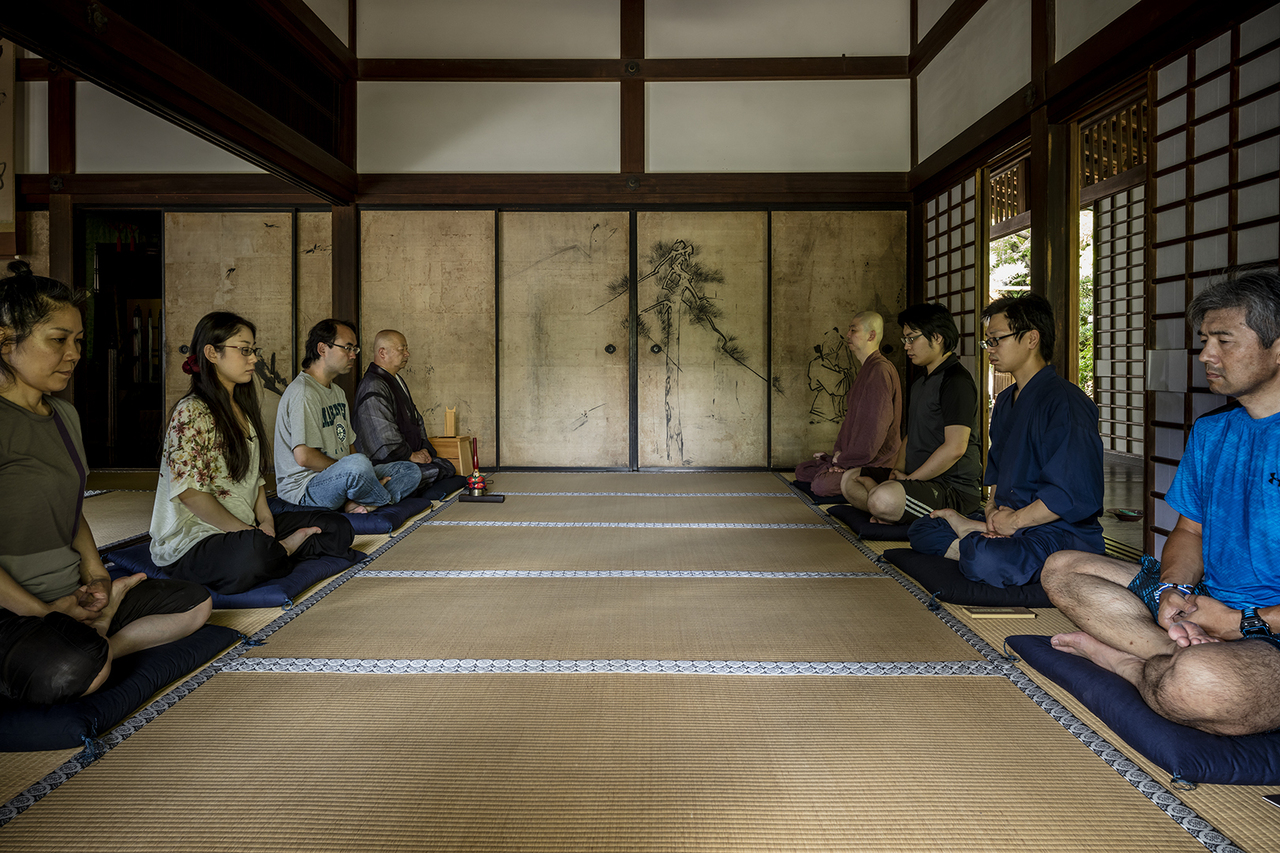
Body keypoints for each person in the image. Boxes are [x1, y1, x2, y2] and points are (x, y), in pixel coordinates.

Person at [1042, 269, 1280, 736]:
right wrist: (1177, 592)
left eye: (1223, 340)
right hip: (1210, 606)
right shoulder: (1214, 432)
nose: (1205, 355)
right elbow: (1191, 531)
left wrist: (1242, 623)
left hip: (1266, 633)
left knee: (1200, 684)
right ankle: (1178, 649)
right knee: (1063, 569)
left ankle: (1129, 663)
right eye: (1204, 340)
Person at [0, 261, 210, 704]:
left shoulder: (64, 416)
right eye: (58, 340)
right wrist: (47, 615)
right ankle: (88, 648)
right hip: (15, 608)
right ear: (4, 342)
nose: (74, 353)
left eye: (77, 340)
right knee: (67, 668)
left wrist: (97, 577)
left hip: (69, 591)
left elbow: (69, 508)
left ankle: (100, 646)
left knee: (194, 603)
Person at [149, 312, 356, 595]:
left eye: (253, 350)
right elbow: (190, 494)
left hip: (248, 526)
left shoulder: (243, 412)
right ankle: (282, 550)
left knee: (336, 526)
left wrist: (267, 521)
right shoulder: (191, 411)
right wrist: (250, 533)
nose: (254, 359)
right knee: (253, 553)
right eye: (244, 350)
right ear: (212, 353)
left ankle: (276, 551)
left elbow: (255, 481)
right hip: (197, 538)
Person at [907, 293, 1104, 585]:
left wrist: (1014, 522)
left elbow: (1071, 493)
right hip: (1007, 523)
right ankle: (978, 540)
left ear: (1031, 339)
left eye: (997, 339)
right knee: (923, 527)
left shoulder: (1065, 403)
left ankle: (977, 545)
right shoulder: (1004, 402)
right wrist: (991, 513)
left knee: (989, 559)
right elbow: (997, 474)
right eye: (988, 341)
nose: (990, 349)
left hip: (1057, 533)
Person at [840, 303, 982, 524]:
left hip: (951, 488)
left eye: (911, 338)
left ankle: (885, 506)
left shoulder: (956, 381)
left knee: (883, 498)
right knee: (849, 478)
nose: (906, 346)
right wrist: (896, 471)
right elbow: (911, 435)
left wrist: (908, 481)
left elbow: (955, 448)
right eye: (904, 339)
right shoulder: (921, 381)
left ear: (937, 338)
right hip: (916, 480)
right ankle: (886, 507)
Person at [274, 319, 420, 513]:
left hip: (343, 477)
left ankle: (362, 501)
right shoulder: (304, 392)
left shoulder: (337, 392)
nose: (353, 355)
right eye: (348, 348)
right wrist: (354, 471)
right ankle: (373, 500)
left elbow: (350, 446)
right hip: (308, 487)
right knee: (358, 464)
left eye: (355, 350)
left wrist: (361, 473)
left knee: (409, 471)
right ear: (322, 348)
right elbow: (304, 457)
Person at [794, 312, 902, 497]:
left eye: (853, 330)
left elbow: (875, 428)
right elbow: (849, 423)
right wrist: (838, 456)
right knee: (803, 470)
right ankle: (839, 470)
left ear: (871, 335)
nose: (848, 335)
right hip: (854, 458)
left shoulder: (880, 370)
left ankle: (854, 475)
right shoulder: (866, 368)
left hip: (874, 462)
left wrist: (843, 461)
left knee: (822, 486)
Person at [353, 329, 461, 497]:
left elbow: (417, 420)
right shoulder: (373, 384)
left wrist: (424, 449)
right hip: (390, 463)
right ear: (383, 352)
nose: (407, 354)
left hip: (409, 458)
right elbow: (381, 434)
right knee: (414, 473)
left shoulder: (396, 379)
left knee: (445, 466)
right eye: (401, 349)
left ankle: (406, 486)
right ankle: (378, 493)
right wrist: (410, 456)